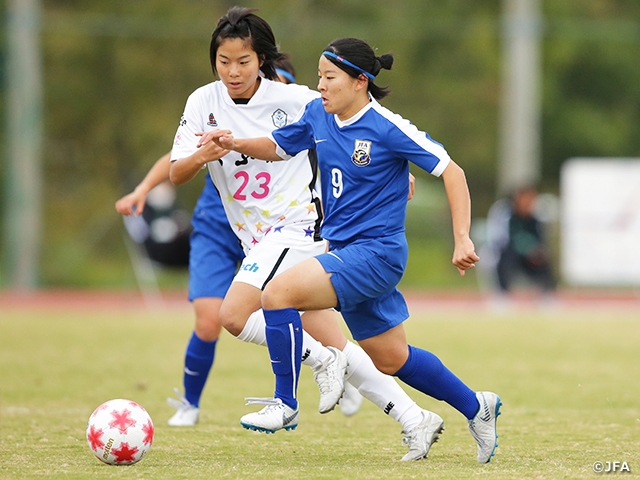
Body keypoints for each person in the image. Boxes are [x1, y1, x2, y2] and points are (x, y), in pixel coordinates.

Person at [204, 36, 502, 464]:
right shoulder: (317, 115)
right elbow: (277, 146)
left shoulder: (386, 126)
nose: (320, 86)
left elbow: (452, 171)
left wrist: (462, 237)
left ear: (360, 81)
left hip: (377, 253)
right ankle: (478, 407)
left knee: (277, 295)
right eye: (319, 77)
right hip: (344, 250)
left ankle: (284, 404)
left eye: (329, 77)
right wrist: (234, 143)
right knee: (391, 358)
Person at [170, 7, 448, 462]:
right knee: (334, 342)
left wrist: (395, 173)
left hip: (299, 226)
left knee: (235, 314)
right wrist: (206, 152)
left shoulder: (298, 98)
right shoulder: (202, 102)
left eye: (243, 60)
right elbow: (176, 173)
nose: (233, 70)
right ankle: (414, 417)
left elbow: (365, 122)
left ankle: (302, 382)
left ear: (261, 59)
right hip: (255, 238)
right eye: (224, 61)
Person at [116, 57, 363, 426]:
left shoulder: (300, 113)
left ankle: (346, 373)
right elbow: (177, 157)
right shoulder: (221, 109)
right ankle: (191, 402)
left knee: (309, 319)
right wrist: (143, 189)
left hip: (279, 229)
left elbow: (352, 133)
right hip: (220, 226)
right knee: (211, 319)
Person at [489, 185, 556, 297]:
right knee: (503, 261)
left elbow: (541, 239)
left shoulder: (536, 218)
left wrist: (535, 251)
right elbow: (500, 239)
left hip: (531, 257)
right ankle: (502, 294)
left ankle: (547, 294)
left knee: (544, 260)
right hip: (510, 254)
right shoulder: (505, 214)